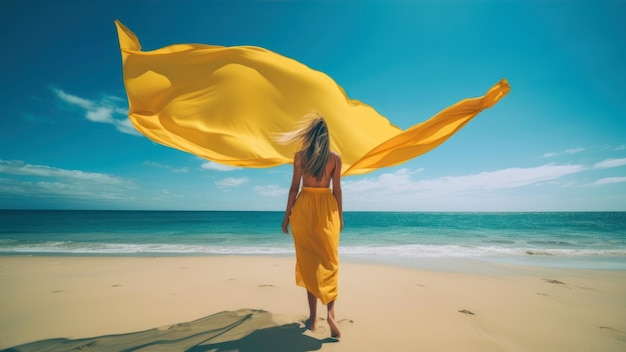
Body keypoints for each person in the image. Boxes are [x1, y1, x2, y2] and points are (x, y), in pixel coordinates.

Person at [280, 113, 343, 339]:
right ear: (326, 136)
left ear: (310, 135)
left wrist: (287, 216)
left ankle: (313, 318)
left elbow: (293, 188)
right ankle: (332, 315)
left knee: (309, 264)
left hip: (304, 209)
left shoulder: (299, 157)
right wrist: (340, 217)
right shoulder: (335, 158)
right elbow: (337, 190)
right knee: (329, 262)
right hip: (327, 209)